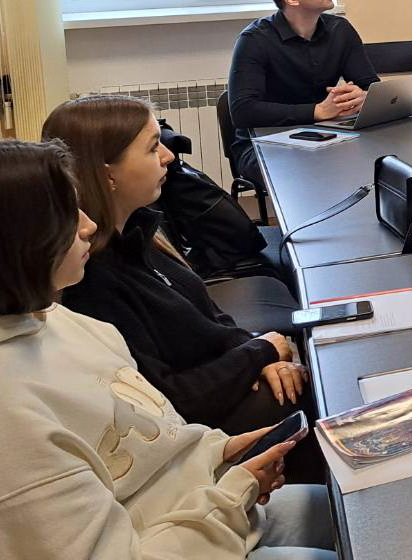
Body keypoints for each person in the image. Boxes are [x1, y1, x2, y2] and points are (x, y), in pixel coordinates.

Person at [0, 137, 350, 560]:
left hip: (186, 524)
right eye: (67, 216)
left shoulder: (51, 316)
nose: (88, 225)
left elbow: (145, 437)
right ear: (11, 243)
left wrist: (218, 453)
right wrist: (232, 494)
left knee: (351, 514)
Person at [45, 96, 310, 439]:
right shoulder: (93, 280)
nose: (168, 156)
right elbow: (169, 402)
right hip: (195, 431)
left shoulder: (142, 233)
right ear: (108, 174)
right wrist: (260, 353)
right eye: (153, 147)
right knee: (313, 395)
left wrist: (257, 355)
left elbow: (212, 320)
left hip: (223, 385)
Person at [227, 0, 379, 184]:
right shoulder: (254, 39)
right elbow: (243, 111)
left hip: (326, 134)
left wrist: (364, 97)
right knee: (312, 173)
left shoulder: (340, 30)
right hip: (263, 143)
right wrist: (317, 111)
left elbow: (370, 85)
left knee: (379, 160)